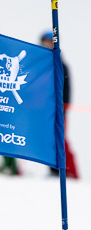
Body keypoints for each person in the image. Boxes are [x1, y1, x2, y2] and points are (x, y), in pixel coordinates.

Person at [41, 31, 79, 179]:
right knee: (47, 140)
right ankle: (53, 171)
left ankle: (70, 173)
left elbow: (66, 90)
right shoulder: (41, 65)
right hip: (44, 111)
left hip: (58, 111)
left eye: (49, 41)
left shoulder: (61, 65)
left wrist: (62, 109)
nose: (47, 44)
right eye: (44, 41)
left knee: (61, 142)